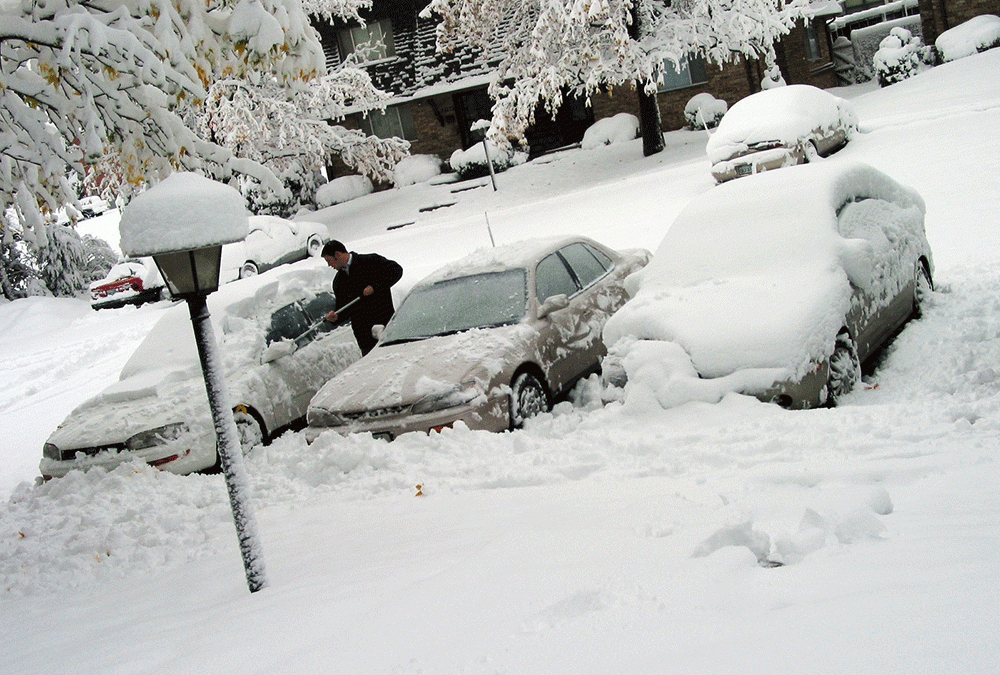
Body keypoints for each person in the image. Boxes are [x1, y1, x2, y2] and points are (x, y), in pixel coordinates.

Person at [322, 240, 403, 355]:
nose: (329, 265)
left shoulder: (370, 262)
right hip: (364, 337)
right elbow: (344, 308)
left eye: (329, 261)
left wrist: (375, 287)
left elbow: (396, 270)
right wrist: (336, 317)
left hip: (385, 325)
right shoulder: (339, 282)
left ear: (338, 255)